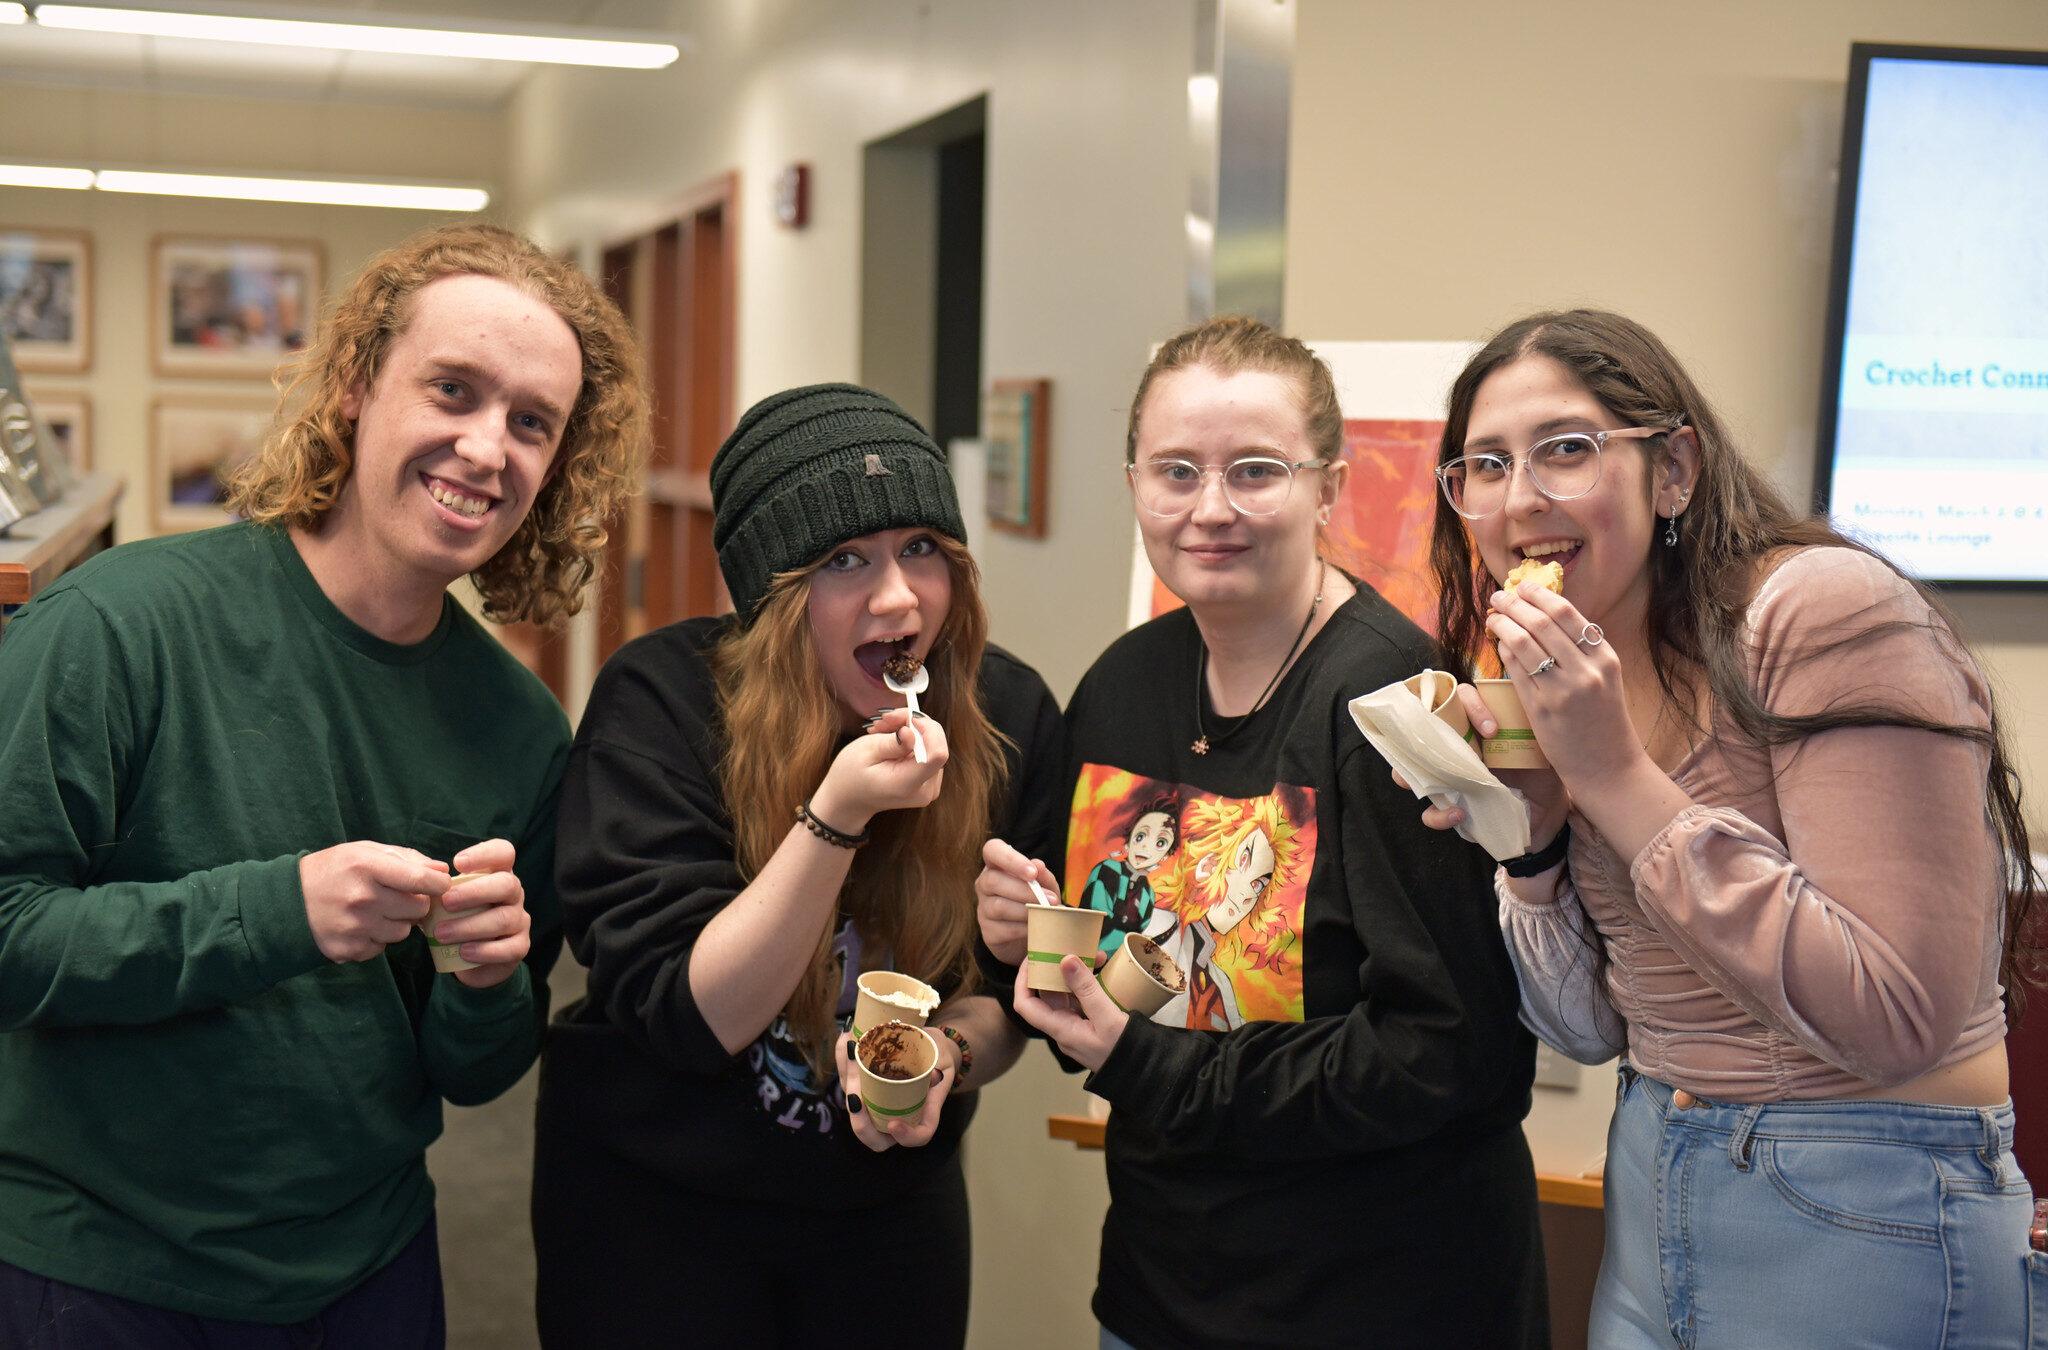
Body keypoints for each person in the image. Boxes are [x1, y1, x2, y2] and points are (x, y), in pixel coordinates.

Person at [0, 222, 649, 1344]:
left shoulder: (521, 731)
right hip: (98, 1270)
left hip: (371, 1270)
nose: (486, 448)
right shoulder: (114, 627)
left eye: (530, 423)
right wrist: (279, 910)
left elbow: (478, 1071)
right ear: (354, 387)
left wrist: (485, 982)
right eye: (452, 389)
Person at [1419, 308, 2043, 1348]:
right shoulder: (1569, 673)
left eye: (1565, 450)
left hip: (1864, 1193)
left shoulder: (1819, 610)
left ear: (1673, 472)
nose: (1518, 496)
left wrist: (1613, 774)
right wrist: (1527, 843)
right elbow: (1586, 1028)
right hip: (1652, 1154)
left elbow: (1900, 1013)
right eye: (1481, 465)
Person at [976, 316, 1548, 1350]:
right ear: (1133, 485)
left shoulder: (1390, 704)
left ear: (1328, 488)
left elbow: (1449, 1056)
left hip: (1377, 1303)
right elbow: (1110, 994)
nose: (1210, 509)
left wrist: (1144, 1065)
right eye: (1176, 471)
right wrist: (1027, 942)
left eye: (1254, 471)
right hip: (1164, 1293)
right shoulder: (1117, 692)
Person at [530, 384, 1067, 1350]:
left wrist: (948, 1056)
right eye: (844, 561)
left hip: (886, 1207)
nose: (899, 597)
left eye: (923, 551)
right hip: (657, 1197)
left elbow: (1006, 1002)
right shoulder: (660, 703)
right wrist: (836, 815)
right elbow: (698, 1020)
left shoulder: (1011, 717)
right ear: (772, 600)